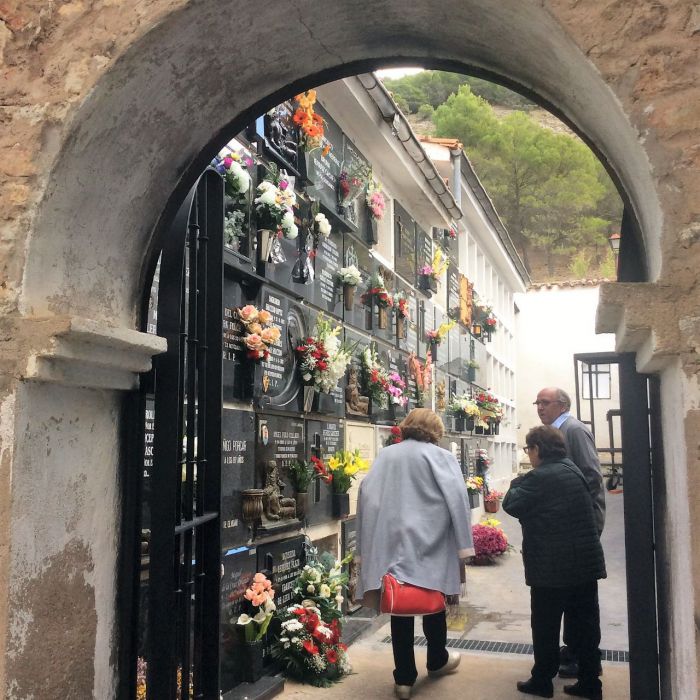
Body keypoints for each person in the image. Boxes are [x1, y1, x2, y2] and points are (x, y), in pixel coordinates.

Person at [356, 408, 473, 700]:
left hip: (394, 539)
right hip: (430, 539)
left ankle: (404, 678)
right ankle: (437, 660)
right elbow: (458, 499)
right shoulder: (441, 457)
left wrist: (370, 540)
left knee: (400, 604)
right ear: (436, 430)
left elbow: (367, 494)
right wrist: (463, 543)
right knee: (433, 597)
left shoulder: (387, 456)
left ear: (406, 426)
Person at [504, 426, 606, 700]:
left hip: (552, 568)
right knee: (586, 626)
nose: (529, 454)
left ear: (537, 449)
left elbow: (511, 504)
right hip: (584, 564)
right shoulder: (571, 468)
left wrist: (516, 482)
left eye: (529, 449)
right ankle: (589, 682)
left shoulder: (541, 476)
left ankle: (542, 681)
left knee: (545, 626)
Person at [535, 387, 605, 678]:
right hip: (570, 528)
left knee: (579, 598)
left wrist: (590, 521)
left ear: (562, 405)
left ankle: (583, 655)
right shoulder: (558, 430)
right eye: (537, 402)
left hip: (580, 525)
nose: (539, 407)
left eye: (545, 403)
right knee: (573, 593)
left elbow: (591, 475)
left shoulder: (573, 430)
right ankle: (575, 647)